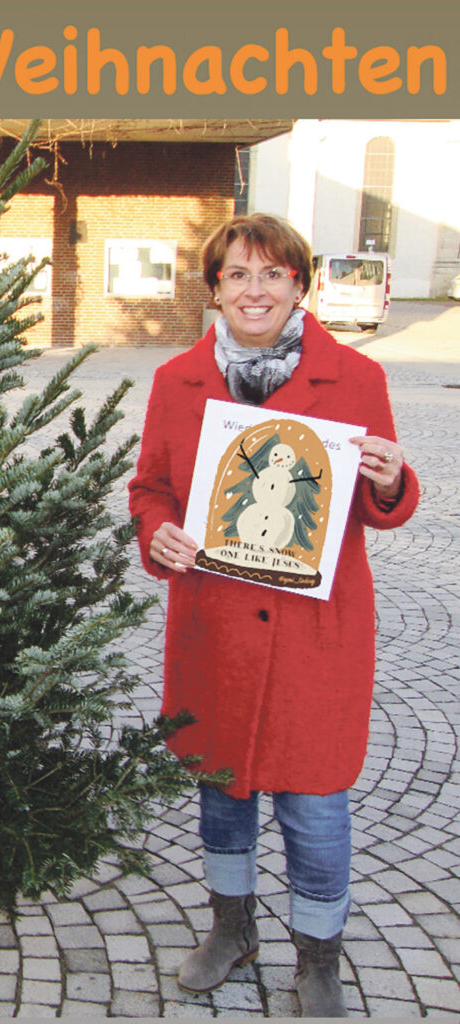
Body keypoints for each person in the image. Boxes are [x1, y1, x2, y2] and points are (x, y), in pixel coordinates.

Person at [128, 214, 419, 1018]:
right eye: (236, 275)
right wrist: (161, 532)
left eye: (272, 275)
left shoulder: (356, 379)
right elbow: (150, 488)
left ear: (299, 285)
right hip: (215, 625)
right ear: (215, 289)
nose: (254, 290)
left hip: (311, 641)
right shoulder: (177, 381)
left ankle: (318, 957)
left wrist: (390, 480)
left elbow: (376, 502)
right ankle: (233, 929)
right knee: (223, 791)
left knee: (315, 801)